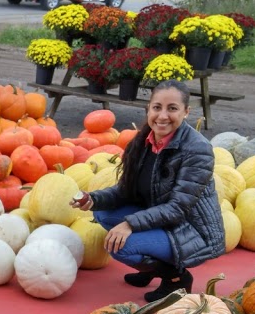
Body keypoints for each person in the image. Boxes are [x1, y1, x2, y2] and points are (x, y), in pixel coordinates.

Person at [71, 80, 226, 302]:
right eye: (157, 108)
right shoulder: (143, 141)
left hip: (189, 229)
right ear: (148, 109)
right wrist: (93, 199)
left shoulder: (198, 150)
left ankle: (176, 278)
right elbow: (125, 191)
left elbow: (177, 209)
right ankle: (151, 268)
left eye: (172, 108)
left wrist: (130, 224)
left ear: (186, 112)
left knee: (121, 247)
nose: (163, 116)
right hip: (159, 216)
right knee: (102, 213)